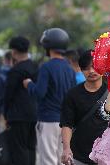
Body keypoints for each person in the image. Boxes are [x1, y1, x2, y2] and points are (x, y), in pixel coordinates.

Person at [23, 28, 76, 165]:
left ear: (48, 46)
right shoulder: (70, 69)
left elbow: (39, 93)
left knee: (48, 161)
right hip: (66, 123)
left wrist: (29, 84)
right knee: (63, 160)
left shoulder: (46, 67)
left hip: (47, 121)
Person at [60, 49, 108, 165]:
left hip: (106, 156)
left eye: (94, 66)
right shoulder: (72, 95)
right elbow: (66, 124)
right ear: (80, 69)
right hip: (78, 156)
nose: (91, 71)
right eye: (86, 68)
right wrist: (66, 148)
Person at [4, 36, 38, 165]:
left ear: (14, 52)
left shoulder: (15, 70)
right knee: (31, 148)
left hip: (17, 115)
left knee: (19, 150)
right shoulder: (35, 67)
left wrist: (6, 114)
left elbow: (8, 95)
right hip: (34, 114)